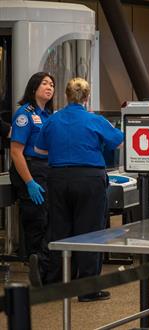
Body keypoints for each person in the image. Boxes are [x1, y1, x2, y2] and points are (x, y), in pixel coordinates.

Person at [35, 77, 123, 302]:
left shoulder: (53, 120)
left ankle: (55, 285)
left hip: (58, 179)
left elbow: (39, 149)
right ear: (87, 97)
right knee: (91, 232)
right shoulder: (95, 120)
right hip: (89, 180)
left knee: (59, 231)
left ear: (65, 95)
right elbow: (119, 142)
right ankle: (87, 289)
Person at [9, 72, 55, 286]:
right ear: (34, 87)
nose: (49, 87)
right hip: (28, 168)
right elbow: (16, 152)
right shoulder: (24, 114)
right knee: (36, 220)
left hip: (45, 169)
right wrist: (29, 182)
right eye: (44, 83)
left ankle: (46, 269)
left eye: (52, 84)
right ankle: (36, 270)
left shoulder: (48, 115)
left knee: (47, 219)